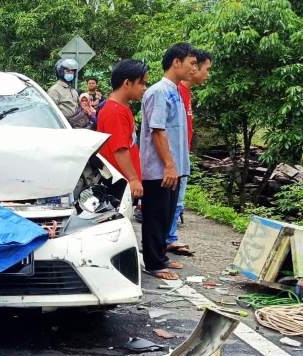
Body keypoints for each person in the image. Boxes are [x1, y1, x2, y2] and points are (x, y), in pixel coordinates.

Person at [139, 43, 197, 280]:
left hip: (175, 167)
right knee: (155, 215)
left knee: (167, 214)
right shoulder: (159, 91)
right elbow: (158, 130)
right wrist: (169, 165)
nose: (194, 68)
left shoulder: (175, 91)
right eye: (191, 63)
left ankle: (160, 256)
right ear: (176, 62)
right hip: (160, 169)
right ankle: (153, 263)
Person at [166, 49, 212, 256]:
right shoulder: (175, 92)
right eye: (205, 68)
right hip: (174, 157)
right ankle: (168, 239)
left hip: (181, 154)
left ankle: (170, 237)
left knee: (178, 201)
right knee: (174, 201)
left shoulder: (185, 93)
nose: (206, 74)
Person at [96, 59, 149, 200]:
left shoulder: (122, 108)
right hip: (118, 184)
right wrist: (133, 179)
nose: (144, 88)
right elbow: (120, 149)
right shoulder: (114, 111)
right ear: (127, 83)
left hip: (123, 183)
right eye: (141, 83)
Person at [47, 58, 92, 129]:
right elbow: (50, 113)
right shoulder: (54, 90)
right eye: (67, 71)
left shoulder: (73, 90)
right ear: (61, 72)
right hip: (63, 128)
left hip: (76, 127)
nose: (70, 73)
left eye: (72, 71)